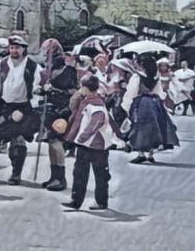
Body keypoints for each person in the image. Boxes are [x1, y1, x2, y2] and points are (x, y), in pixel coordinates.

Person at [0, 36, 42, 185]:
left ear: (24, 49)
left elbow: (38, 86)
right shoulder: (3, 64)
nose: (14, 50)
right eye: (12, 48)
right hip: (6, 106)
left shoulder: (33, 66)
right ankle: (15, 166)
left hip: (24, 107)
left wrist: (33, 104)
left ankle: (16, 173)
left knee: (19, 141)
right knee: (10, 140)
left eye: (17, 48)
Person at [62, 75, 114, 210]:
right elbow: (73, 107)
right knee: (79, 172)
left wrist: (82, 137)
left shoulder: (95, 104)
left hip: (96, 144)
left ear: (85, 88)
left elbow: (98, 120)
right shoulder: (88, 101)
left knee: (100, 174)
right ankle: (76, 200)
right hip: (87, 144)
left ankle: (100, 201)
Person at [36, 39, 79, 192]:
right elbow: (43, 88)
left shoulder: (69, 71)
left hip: (63, 109)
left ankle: (61, 178)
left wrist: (53, 89)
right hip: (49, 109)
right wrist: (41, 90)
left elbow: (74, 91)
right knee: (50, 141)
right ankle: (54, 175)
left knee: (57, 142)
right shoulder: (46, 71)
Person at [124, 55, 179, 163]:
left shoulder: (137, 76)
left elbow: (132, 91)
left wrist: (127, 104)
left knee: (141, 128)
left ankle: (141, 153)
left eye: (137, 63)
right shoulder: (155, 76)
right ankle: (150, 154)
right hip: (155, 102)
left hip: (142, 102)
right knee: (155, 127)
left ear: (141, 64)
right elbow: (160, 92)